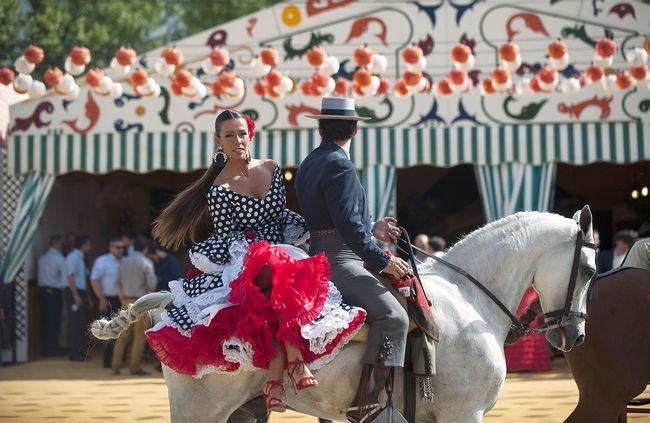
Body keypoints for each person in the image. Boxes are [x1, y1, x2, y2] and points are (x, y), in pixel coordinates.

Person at [145, 109, 365, 416]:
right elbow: (230, 236)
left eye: (242, 133)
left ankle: (277, 379)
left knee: (292, 273)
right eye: (229, 135)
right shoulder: (219, 189)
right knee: (273, 276)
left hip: (283, 247)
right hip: (245, 254)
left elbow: (279, 215)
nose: (237, 141)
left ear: (252, 134)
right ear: (218, 141)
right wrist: (263, 254)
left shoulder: (272, 167)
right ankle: (292, 366)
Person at [294, 97, 410, 422]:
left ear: (320, 127)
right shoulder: (339, 164)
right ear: (356, 130)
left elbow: (334, 218)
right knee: (395, 318)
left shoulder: (310, 162)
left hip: (320, 252)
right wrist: (382, 258)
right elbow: (344, 225)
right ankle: (369, 402)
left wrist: (373, 228)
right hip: (340, 260)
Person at [111, 236, 157, 376]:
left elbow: (117, 283)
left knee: (124, 333)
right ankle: (134, 366)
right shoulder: (146, 262)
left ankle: (116, 364)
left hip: (125, 299)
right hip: (140, 301)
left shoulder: (123, 262)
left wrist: (122, 298)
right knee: (139, 335)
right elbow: (151, 284)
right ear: (145, 249)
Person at [90, 237, 124, 369]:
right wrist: (101, 298)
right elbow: (94, 280)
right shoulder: (103, 261)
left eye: (122, 247)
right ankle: (107, 361)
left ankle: (118, 360)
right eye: (117, 247)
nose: (120, 250)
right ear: (111, 248)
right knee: (109, 329)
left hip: (123, 299)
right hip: (109, 299)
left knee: (122, 329)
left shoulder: (125, 261)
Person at [37, 234, 68, 357]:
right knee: (54, 321)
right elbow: (65, 278)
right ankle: (52, 349)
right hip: (54, 293)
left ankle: (45, 348)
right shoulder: (59, 258)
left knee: (45, 320)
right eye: (61, 244)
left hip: (42, 292)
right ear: (58, 244)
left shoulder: (42, 258)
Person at [64, 234, 92, 361]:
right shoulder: (73, 258)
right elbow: (71, 276)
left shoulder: (80, 258)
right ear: (84, 245)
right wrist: (75, 295)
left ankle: (80, 351)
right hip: (74, 292)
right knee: (76, 323)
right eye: (88, 245)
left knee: (80, 323)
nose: (89, 247)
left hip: (81, 292)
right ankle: (74, 352)